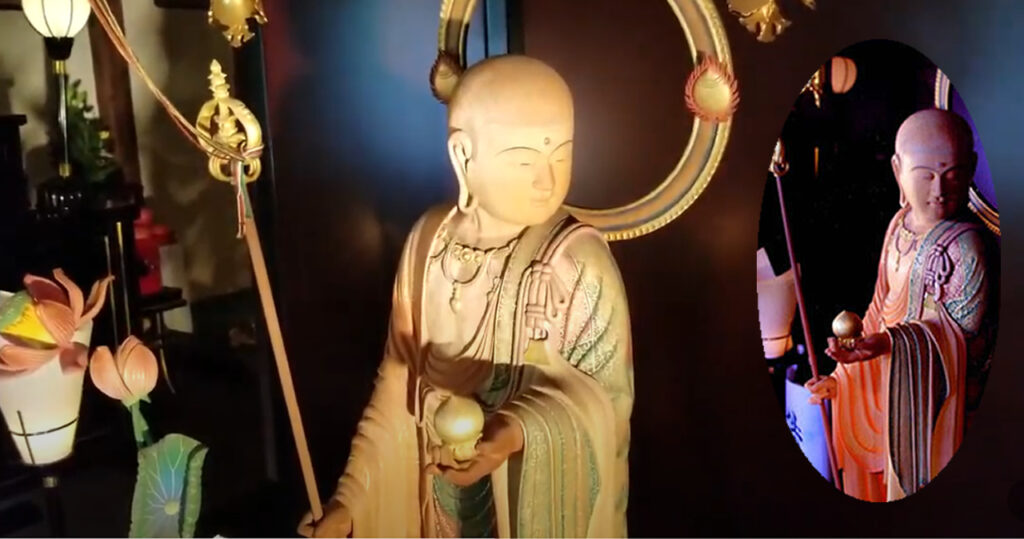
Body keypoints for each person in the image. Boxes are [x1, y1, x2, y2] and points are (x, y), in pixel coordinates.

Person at [298, 55, 634, 537]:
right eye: (524, 160)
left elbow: (607, 407)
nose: (547, 180)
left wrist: (513, 432)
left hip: (520, 504)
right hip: (431, 491)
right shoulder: (428, 241)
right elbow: (398, 386)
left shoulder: (578, 263)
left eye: (561, 155)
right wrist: (350, 500)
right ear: (462, 156)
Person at [806, 108, 998, 502]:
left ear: (971, 168)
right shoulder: (899, 225)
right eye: (925, 175)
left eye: (953, 174)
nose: (939, 190)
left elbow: (967, 346)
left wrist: (888, 344)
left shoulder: (968, 248)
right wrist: (845, 374)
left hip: (933, 413)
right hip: (886, 386)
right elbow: (880, 309)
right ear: (898, 171)